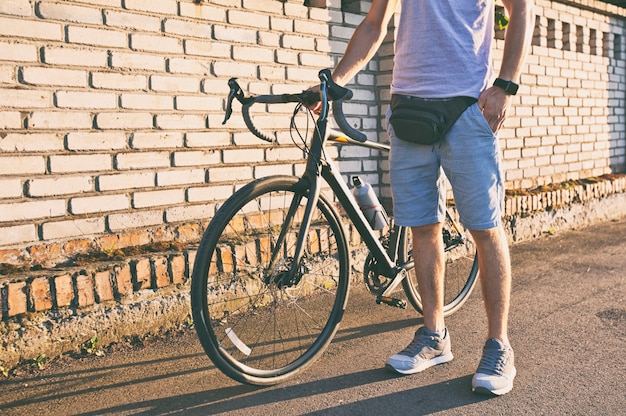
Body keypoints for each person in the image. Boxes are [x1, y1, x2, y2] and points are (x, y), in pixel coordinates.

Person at [325, 0, 534, 395]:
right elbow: (374, 24)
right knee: (422, 227)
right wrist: (335, 80)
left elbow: (522, 9)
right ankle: (434, 334)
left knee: (485, 228)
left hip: (468, 108)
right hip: (407, 109)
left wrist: (506, 84)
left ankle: (498, 345)